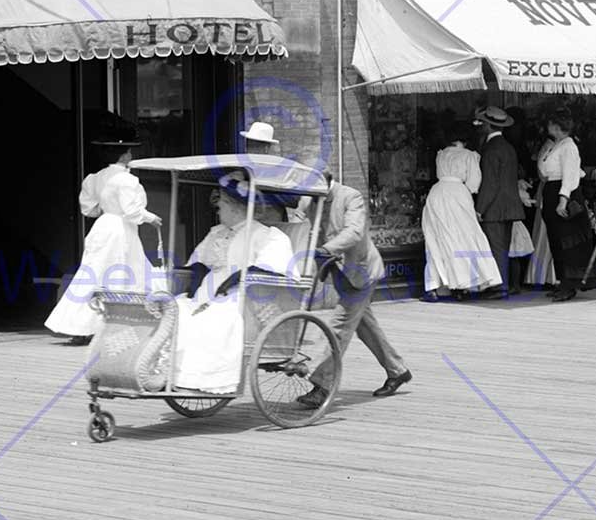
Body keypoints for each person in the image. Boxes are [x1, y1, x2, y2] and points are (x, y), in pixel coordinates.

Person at [290, 169, 414, 403]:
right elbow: (297, 218)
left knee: (339, 326)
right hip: (339, 273)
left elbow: (354, 232)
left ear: (327, 183)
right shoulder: (311, 197)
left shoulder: (351, 197)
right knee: (364, 325)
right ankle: (398, 371)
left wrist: (326, 249)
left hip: (361, 272)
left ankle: (322, 386)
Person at [167, 173, 294, 392]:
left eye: (222, 203)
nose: (217, 207)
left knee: (213, 320)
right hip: (207, 294)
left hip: (243, 298)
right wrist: (189, 288)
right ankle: (178, 377)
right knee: (177, 311)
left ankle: (206, 379)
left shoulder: (268, 236)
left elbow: (271, 268)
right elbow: (199, 262)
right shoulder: (216, 233)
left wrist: (233, 280)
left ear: (236, 207)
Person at [43, 114, 159, 339]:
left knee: (94, 273)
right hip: (120, 229)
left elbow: (89, 209)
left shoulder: (95, 178)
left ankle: (81, 327)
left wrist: (106, 208)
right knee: (122, 272)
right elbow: (132, 211)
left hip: (102, 227)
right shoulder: (127, 180)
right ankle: (115, 324)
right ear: (125, 154)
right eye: (129, 151)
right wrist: (150, 217)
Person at [420, 129, 502, 297]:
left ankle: (435, 285)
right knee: (464, 238)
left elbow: (438, 174)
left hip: (437, 194)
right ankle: (463, 284)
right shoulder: (469, 155)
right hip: (458, 194)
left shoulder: (441, 154)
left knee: (437, 238)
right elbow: (473, 184)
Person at [529, 109, 593, 300]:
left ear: (557, 126)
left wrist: (562, 200)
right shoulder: (557, 145)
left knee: (566, 241)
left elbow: (570, 175)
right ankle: (561, 280)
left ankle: (569, 284)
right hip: (551, 190)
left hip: (562, 193)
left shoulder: (569, 146)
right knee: (556, 240)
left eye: (550, 124)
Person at [471, 106, 532, 297]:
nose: (480, 126)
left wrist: (480, 208)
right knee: (503, 247)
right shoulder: (508, 147)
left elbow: (490, 184)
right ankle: (502, 283)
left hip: (494, 207)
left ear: (488, 125)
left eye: (482, 123)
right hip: (510, 206)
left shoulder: (490, 149)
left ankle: (500, 286)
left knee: (495, 246)